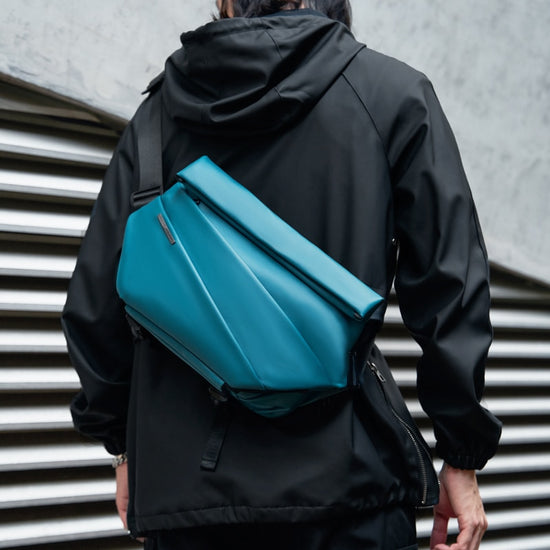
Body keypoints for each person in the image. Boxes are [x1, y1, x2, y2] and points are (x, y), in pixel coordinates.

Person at [61, 1, 502, 548]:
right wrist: (460, 454)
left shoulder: (156, 117)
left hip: (189, 504)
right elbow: (451, 286)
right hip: (348, 493)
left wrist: (124, 449)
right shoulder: (392, 96)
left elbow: (94, 308)